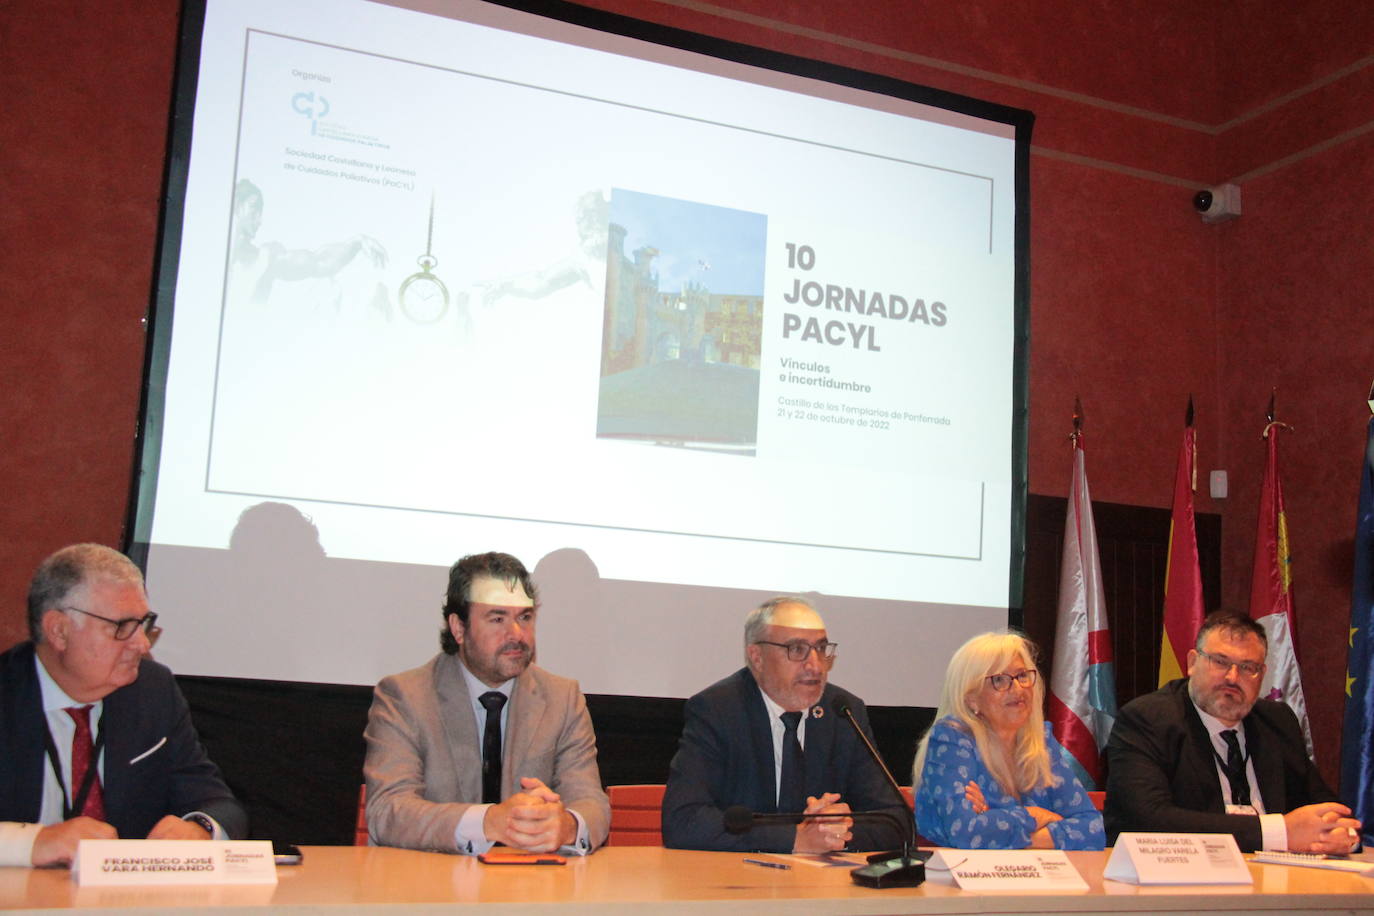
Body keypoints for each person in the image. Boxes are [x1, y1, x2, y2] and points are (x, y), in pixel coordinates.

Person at [0, 544, 247, 867]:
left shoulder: (151, 690)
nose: (143, 645)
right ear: (59, 630)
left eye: (143, 624)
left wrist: (199, 828)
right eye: (122, 627)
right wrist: (33, 842)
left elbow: (216, 801)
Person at [363, 551, 610, 854]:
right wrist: (487, 822)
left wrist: (567, 825)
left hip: (527, 889)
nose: (516, 634)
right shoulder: (404, 697)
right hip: (427, 887)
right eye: (497, 618)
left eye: (525, 617)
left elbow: (592, 802)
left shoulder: (562, 698)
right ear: (458, 628)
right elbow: (388, 810)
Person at [661, 596, 907, 853]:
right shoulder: (718, 711)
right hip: (740, 883)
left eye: (821, 649)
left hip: (824, 887)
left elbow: (896, 821)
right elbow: (683, 821)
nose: (815, 665)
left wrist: (835, 829)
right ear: (756, 657)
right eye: (797, 649)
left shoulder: (843, 712)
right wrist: (795, 839)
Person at [1105, 609, 1359, 852]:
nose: (1233, 677)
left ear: (1262, 675)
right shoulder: (1149, 719)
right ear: (1193, 662)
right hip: (1186, 884)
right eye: (1220, 662)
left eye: (1248, 667)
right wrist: (1278, 832)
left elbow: (1324, 806)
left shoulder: (1277, 721)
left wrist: (1337, 833)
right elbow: (1148, 820)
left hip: (1276, 879)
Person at [912, 632, 1104, 849]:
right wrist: (1035, 815)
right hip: (957, 877)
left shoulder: (1040, 741)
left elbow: (1093, 830)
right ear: (971, 698)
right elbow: (966, 833)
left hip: (1035, 876)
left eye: (1022, 676)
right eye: (1000, 680)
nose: (1018, 688)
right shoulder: (952, 740)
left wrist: (997, 825)